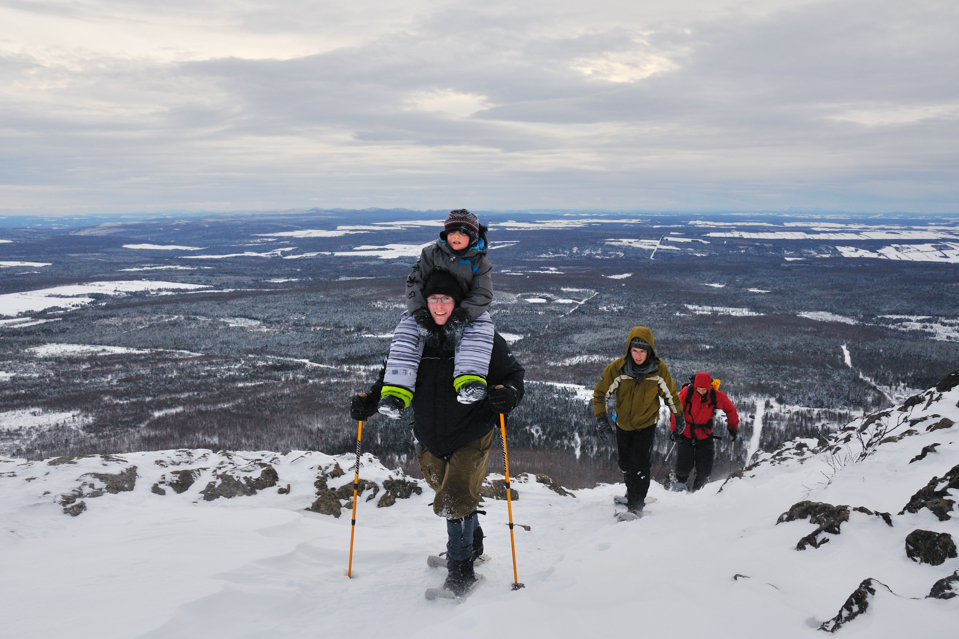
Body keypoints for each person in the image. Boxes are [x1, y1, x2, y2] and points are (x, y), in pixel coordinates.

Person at [350, 271, 525, 596]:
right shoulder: (412, 340)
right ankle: (471, 546)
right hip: (429, 435)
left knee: (454, 499)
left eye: (448, 299)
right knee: (451, 491)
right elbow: (391, 378)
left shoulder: (483, 339)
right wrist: (371, 401)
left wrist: (510, 393)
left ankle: (461, 575)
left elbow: (514, 374)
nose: (440, 305)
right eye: (434, 299)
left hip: (473, 431)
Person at [377, 209, 494, 418]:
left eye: (462, 233)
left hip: (464, 311)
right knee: (407, 329)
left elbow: (483, 293)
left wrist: (462, 316)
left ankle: (469, 380)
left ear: (474, 236)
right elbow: (414, 282)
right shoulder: (431, 254)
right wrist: (420, 314)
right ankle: (395, 393)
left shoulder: (479, 262)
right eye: (451, 233)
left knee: (481, 326)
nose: (455, 237)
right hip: (433, 307)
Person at [593, 326, 683, 517]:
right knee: (626, 463)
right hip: (623, 424)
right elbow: (600, 394)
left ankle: (636, 504)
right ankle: (631, 491)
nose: (638, 355)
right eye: (635, 350)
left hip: (646, 425)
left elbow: (671, 395)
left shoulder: (659, 371)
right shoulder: (617, 369)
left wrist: (679, 417)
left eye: (642, 351)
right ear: (629, 350)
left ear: (649, 350)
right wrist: (601, 419)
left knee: (641, 464)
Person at [668, 372, 739, 492]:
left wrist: (733, 427)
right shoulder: (687, 392)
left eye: (704, 389)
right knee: (683, 465)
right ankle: (680, 486)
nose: (701, 391)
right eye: (699, 388)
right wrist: (675, 430)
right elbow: (676, 410)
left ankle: (698, 490)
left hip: (705, 434)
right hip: (686, 433)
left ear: (709, 387)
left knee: (705, 467)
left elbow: (730, 409)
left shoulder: (716, 395)